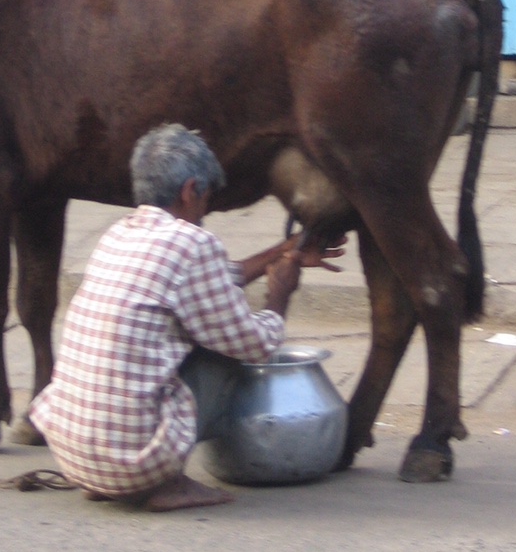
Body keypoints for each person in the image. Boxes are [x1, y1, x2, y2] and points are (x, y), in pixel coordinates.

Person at [28, 124, 342, 512]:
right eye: (205, 199)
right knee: (226, 350)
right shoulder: (192, 243)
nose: (203, 212)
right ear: (190, 190)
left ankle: (107, 479)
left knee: (199, 326)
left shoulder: (119, 234)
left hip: (72, 455)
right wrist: (280, 294)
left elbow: (213, 280)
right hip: (133, 465)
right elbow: (255, 344)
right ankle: (163, 482)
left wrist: (283, 250)